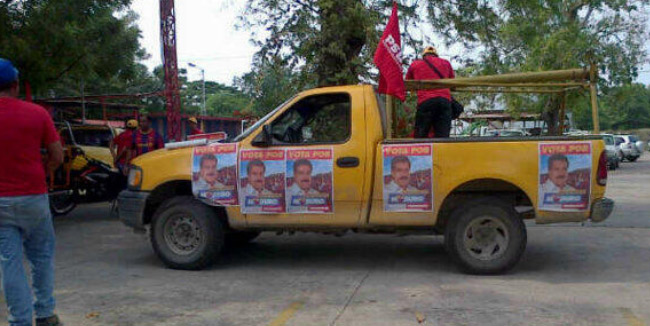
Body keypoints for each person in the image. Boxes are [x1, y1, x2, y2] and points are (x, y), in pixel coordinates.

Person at [0, 58, 64, 326]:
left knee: (9, 264)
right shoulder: (37, 113)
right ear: (15, 85)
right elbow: (58, 156)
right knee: (41, 257)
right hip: (33, 197)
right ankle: (46, 314)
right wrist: (44, 168)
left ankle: (20, 321)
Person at [406, 46, 455, 138]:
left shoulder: (415, 64)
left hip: (426, 101)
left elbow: (408, 83)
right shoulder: (446, 63)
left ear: (424, 55)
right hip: (444, 101)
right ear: (436, 55)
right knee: (443, 136)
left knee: (421, 135)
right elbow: (452, 81)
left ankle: (421, 150)